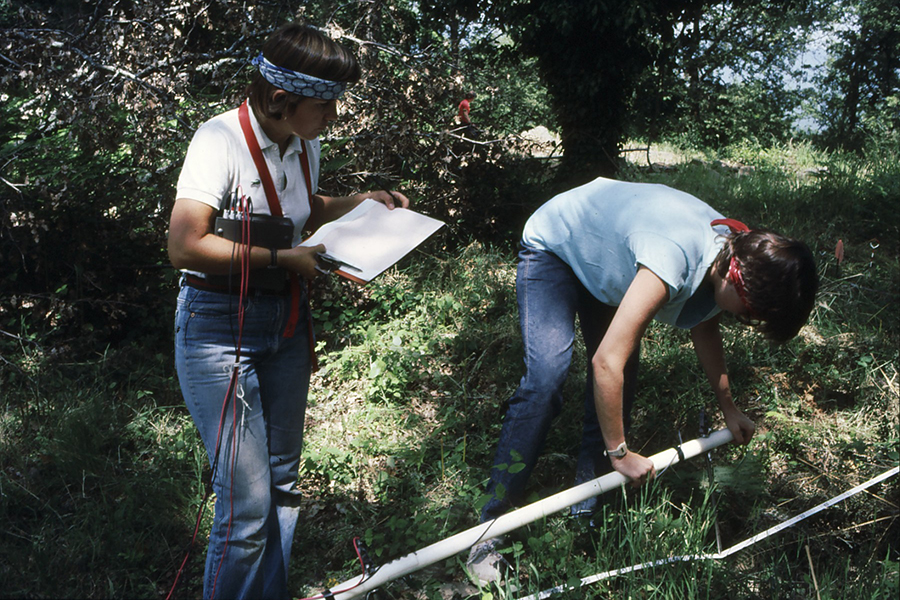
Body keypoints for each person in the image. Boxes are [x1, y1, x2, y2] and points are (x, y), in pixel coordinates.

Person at [466, 176, 817, 584]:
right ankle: (489, 529)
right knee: (547, 379)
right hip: (558, 246)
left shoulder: (728, 256)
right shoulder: (674, 258)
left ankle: (587, 516)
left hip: (603, 260)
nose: (748, 323)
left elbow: (705, 327)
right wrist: (619, 453)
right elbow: (604, 363)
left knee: (621, 387)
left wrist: (729, 408)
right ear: (737, 278)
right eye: (751, 315)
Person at [167, 23, 408, 599]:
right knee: (245, 507)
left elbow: (308, 205)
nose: (333, 117)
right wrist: (283, 258)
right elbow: (184, 244)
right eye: (325, 106)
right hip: (219, 328)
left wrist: (360, 202)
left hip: (284, 325)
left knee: (281, 485)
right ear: (281, 99)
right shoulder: (219, 139)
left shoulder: (305, 144)